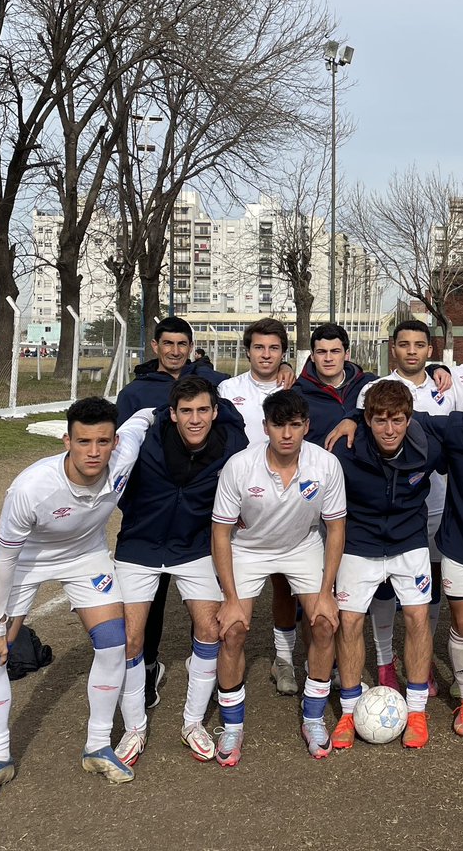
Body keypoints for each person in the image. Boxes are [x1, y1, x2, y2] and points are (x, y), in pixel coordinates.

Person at [327, 376, 463, 737]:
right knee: (353, 621)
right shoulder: (444, 433)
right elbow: (397, 414)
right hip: (383, 544)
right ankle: (360, 710)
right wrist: (352, 415)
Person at [0, 397, 153, 803]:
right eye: (84, 441)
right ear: (67, 439)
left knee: (114, 644)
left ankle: (98, 745)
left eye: (103, 441)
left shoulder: (123, 453)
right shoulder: (30, 489)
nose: (94, 451)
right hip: (24, 563)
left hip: (86, 556)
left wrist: (161, 407)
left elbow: (142, 417)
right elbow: (4, 560)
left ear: (114, 441)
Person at [111, 376, 249, 769]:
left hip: (193, 548)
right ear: (171, 414)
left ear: (215, 412)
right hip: (140, 546)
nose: (194, 419)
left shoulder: (232, 445)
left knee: (209, 630)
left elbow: (241, 434)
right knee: (131, 640)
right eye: (185, 411)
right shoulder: (144, 440)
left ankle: (192, 723)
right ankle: (135, 728)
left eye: (203, 410)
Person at [210, 389, 345, 766]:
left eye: (295, 425)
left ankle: (314, 717)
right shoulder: (240, 465)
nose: (287, 434)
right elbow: (221, 531)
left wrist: (326, 591)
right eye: (278, 425)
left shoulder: (325, 465)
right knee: (233, 628)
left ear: (306, 426)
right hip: (248, 549)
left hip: (302, 546)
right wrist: (231, 598)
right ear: (265, 426)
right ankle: (232, 726)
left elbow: (335, 529)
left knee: (322, 623)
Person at [117, 317, 231, 710]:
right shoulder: (135, 392)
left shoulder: (211, 382)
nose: (175, 350)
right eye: (168, 343)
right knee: (149, 604)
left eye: (183, 343)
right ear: (155, 346)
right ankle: (147, 666)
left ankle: (202, 678)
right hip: (149, 519)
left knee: (204, 610)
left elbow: (236, 416)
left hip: (193, 523)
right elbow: (121, 453)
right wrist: (131, 503)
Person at [329, 381, 446, 750]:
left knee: (417, 617)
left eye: (397, 420)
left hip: (408, 542)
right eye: (380, 421)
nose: (390, 429)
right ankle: (348, 711)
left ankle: (416, 711)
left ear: (409, 419)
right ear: (366, 420)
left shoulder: (427, 447)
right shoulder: (343, 450)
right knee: (348, 621)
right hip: (359, 543)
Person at [355, 319, 458, 695]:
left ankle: (423, 657)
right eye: (404, 344)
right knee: (383, 589)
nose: (411, 350)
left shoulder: (447, 388)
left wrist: (440, 373)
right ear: (392, 348)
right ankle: (385, 662)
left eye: (419, 344)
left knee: (426, 589)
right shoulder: (372, 389)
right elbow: (359, 427)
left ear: (430, 350)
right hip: (386, 508)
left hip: (434, 503)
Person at [219, 318, 302, 696]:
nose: (266, 355)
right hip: (241, 500)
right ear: (247, 350)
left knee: (284, 585)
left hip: (286, 499)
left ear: (283, 353)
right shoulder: (227, 389)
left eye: (274, 349)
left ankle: (283, 659)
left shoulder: (295, 385)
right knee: (228, 589)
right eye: (259, 348)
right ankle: (207, 654)